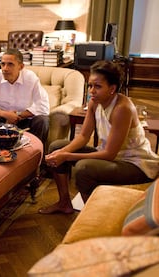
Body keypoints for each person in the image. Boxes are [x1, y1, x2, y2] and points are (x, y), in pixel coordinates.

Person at [39, 60, 159, 214]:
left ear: (112, 88)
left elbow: (109, 154)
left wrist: (67, 156)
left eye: (97, 86)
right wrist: (61, 153)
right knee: (57, 146)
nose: (91, 91)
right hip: (112, 157)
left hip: (134, 163)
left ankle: (93, 215)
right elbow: (83, 136)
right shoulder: (94, 103)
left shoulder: (122, 108)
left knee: (83, 168)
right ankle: (64, 203)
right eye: (90, 86)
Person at [0, 48, 50, 144]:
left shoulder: (31, 78)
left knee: (43, 120)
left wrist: (17, 116)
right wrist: (5, 115)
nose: (5, 68)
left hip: (24, 120)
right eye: (3, 64)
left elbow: (43, 106)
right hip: (2, 118)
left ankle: (36, 152)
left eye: (10, 64)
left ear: (21, 66)